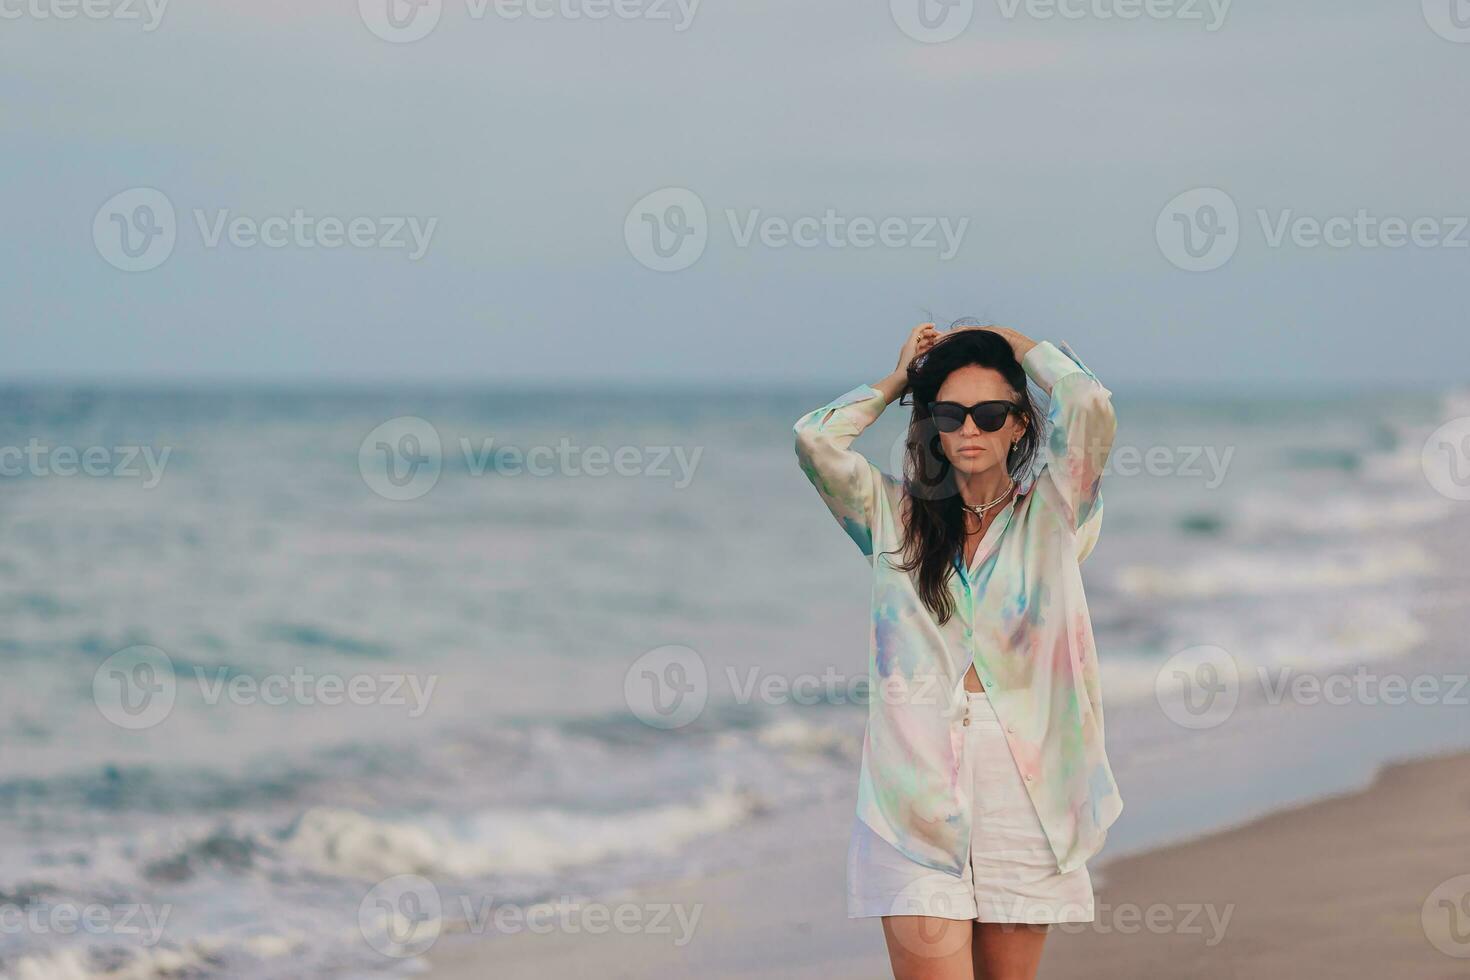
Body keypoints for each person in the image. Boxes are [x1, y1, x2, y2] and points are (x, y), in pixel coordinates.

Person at [792, 322, 1124, 980]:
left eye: (990, 413)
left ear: (1020, 424)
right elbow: (814, 441)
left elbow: (1089, 405)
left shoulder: (1057, 512)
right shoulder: (893, 518)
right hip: (912, 791)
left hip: (1027, 788)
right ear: (933, 426)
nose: (969, 428)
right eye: (950, 413)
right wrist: (898, 380)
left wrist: (1009, 338)